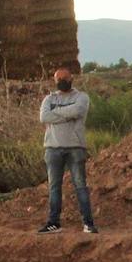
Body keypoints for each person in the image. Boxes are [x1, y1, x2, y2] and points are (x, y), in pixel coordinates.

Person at [38, 67, 96, 234]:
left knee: (80, 185)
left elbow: (78, 111)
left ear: (72, 79)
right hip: (52, 148)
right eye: (59, 79)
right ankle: (53, 223)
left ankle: (88, 223)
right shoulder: (49, 98)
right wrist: (67, 115)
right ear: (55, 81)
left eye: (65, 78)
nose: (62, 81)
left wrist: (56, 113)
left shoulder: (81, 97)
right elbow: (44, 117)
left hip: (75, 147)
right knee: (54, 187)